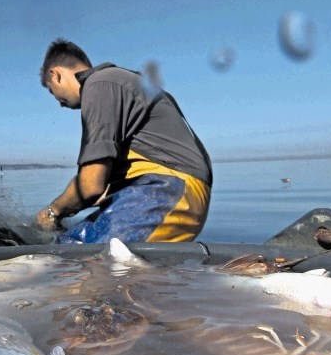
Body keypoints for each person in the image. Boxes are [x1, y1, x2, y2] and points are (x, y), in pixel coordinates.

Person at [35, 38, 213, 244]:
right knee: (66, 245)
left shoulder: (99, 84)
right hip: (162, 188)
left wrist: (52, 212)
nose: (59, 103)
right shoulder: (120, 82)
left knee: (89, 262)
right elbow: (99, 189)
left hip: (167, 189)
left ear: (55, 74)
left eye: (51, 91)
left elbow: (90, 184)